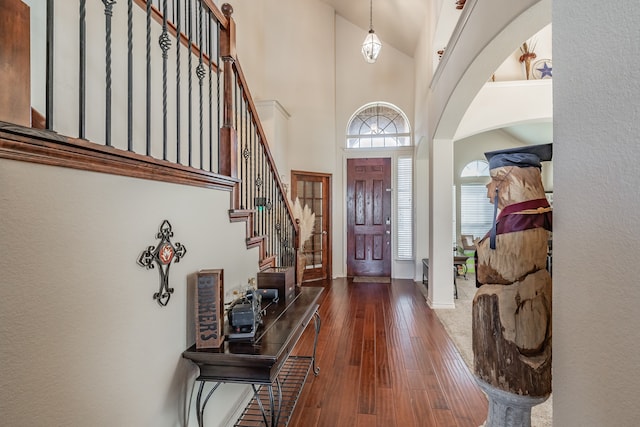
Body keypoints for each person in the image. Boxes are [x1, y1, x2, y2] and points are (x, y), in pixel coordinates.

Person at [473, 143, 553, 398]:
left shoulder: (519, 226)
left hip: (514, 320)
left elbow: (494, 268)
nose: (489, 191)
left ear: (514, 182)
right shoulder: (527, 220)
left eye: (495, 180)